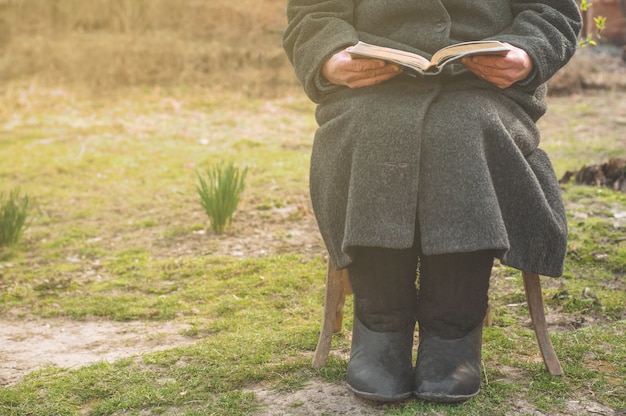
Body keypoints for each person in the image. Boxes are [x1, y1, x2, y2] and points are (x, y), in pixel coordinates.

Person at [282, 0, 582, 404]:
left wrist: (526, 52)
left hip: (486, 90)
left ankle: (454, 326)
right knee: (375, 131)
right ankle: (380, 322)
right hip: (370, 88)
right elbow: (313, 12)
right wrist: (329, 57)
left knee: (462, 133)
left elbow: (552, 10)